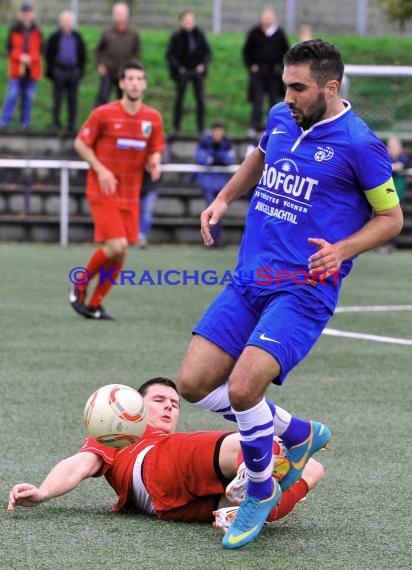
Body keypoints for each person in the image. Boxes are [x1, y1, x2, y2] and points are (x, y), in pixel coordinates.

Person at [176, 39, 403, 549]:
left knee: (242, 388)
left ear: (331, 87)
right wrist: (223, 198)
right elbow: (259, 159)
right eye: (286, 85)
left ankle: (259, 488)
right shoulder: (282, 116)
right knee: (191, 383)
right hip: (249, 278)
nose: (288, 95)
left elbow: (391, 219)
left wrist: (343, 250)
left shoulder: (361, 144)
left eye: (299, 87)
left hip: (303, 291)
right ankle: (296, 432)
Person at [8, 377, 325, 531]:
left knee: (313, 471)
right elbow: (78, 464)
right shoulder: (120, 435)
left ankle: (260, 486)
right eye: (159, 399)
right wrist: (44, 491)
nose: (169, 407)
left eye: (174, 404)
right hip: (154, 466)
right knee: (249, 443)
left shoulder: (169, 440)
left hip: (168, 509)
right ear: (135, 405)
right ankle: (264, 476)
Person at [70, 61, 165, 320]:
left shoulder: (153, 118)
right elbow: (81, 143)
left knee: (122, 251)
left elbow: (155, 149)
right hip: (103, 190)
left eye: (139, 78)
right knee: (116, 245)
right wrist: (100, 170)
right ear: (122, 84)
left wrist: (154, 161)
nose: (134, 83)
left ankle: (95, 304)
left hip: (131, 193)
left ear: (144, 84)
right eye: (130, 79)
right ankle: (80, 282)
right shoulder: (103, 113)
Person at [242, 7, 289, 135]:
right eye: (265, 17)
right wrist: (251, 65)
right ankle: (255, 126)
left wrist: (281, 66)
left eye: (270, 17)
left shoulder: (279, 33)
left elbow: (286, 51)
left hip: (274, 73)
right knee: (257, 100)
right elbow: (246, 51)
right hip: (259, 72)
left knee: (274, 101)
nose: (267, 20)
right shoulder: (255, 32)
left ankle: (274, 126)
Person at [166, 11, 211, 136]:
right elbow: (170, 55)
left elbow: (207, 52)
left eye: (190, 19)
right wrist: (178, 68)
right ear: (182, 21)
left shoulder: (199, 35)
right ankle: (176, 127)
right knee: (179, 99)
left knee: (200, 100)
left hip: (197, 71)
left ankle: (201, 127)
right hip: (182, 71)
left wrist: (203, 65)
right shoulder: (176, 36)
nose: (188, 22)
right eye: (186, 20)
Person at [0, 2, 43, 130]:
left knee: (29, 97)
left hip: (32, 69)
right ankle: (4, 122)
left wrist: (31, 58)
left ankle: (25, 123)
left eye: (28, 13)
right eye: (24, 13)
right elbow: (9, 49)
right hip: (16, 69)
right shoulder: (14, 29)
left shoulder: (37, 30)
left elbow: (41, 50)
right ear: (21, 14)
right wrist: (20, 57)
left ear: (32, 14)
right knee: (12, 95)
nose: (26, 15)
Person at [193, 122, 235, 247]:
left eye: (220, 131)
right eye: (215, 131)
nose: (218, 134)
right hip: (208, 183)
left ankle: (215, 240)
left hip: (222, 183)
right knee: (210, 213)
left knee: (218, 213)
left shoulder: (227, 144)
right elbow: (201, 158)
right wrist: (216, 159)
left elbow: (228, 160)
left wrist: (215, 158)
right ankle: (209, 239)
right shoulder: (204, 142)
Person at [45, 10, 87, 135]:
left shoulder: (77, 37)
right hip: (59, 70)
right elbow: (48, 55)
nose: (66, 23)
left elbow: (82, 55)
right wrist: (53, 71)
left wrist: (79, 71)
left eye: (69, 21)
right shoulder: (54, 37)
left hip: (73, 71)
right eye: (64, 21)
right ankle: (56, 123)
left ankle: (71, 124)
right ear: (60, 22)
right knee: (57, 99)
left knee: (72, 99)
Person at [94, 2, 141, 107]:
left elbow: (137, 53)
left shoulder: (133, 33)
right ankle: (98, 121)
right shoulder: (107, 32)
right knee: (103, 98)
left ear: (127, 15)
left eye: (121, 14)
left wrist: (133, 69)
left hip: (125, 73)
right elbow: (99, 50)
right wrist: (100, 64)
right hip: (108, 71)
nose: (119, 17)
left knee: (124, 101)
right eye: (117, 14)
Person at [377, 137, 409, 252]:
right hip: (384, 195)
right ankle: (384, 244)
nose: (393, 149)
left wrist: (398, 166)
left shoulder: (404, 158)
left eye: (395, 146)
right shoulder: (385, 158)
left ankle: (391, 244)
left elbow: (404, 165)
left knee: (396, 220)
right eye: (390, 146)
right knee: (383, 220)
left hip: (399, 194)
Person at [138, 170, 159, 248]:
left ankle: (142, 236)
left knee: (147, 212)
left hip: (151, 187)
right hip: (135, 185)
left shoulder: (157, 158)